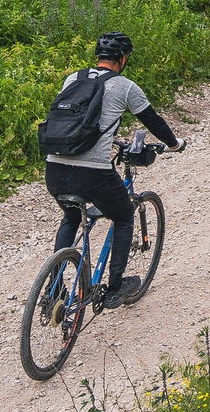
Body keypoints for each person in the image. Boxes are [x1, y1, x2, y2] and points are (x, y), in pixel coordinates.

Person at [43, 32, 181, 259]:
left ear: (98, 56)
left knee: (71, 217)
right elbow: (153, 121)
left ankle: (54, 288)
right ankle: (116, 289)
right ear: (123, 58)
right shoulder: (125, 87)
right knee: (124, 216)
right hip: (93, 175)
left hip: (55, 167)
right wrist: (174, 144)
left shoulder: (73, 79)